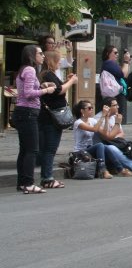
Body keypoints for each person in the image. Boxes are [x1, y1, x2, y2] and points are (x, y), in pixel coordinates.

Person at [14, 45, 56, 194]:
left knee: (24, 150)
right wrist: (46, 90)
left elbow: (28, 88)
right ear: (32, 55)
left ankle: (22, 183)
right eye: (40, 53)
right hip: (28, 112)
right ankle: (29, 183)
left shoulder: (24, 69)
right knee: (32, 150)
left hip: (22, 112)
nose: (43, 56)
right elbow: (28, 93)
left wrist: (42, 85)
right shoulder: (31, 70)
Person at [38, 50, 78, 188]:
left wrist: (67, 81)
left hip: (47, 116)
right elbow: (58, 91)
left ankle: (46, 177)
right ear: (51, 61)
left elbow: (59, 88)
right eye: (58, 59)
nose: (60, 61)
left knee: (46, 148)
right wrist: (71, 81)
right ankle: (47, 178)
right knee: (50, 149)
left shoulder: (47, 74)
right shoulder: (47, 74)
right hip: (51, 117)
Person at [72, 100, 129, 178]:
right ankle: (103, 170)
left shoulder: (92, 120)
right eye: (89, 108)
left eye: (92, 107)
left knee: (105, 147)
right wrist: (103, 116)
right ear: (82, 110)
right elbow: (95, 129)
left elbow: (105, 133)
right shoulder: (78, 123)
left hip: (89, 150)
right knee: (100, 145)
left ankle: (120, 169)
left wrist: (106, 118)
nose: (91, 109)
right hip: (80, 152)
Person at [100, 45, 129, 117]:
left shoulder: (108, 64)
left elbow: (125, 74)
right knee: (117, 116)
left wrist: (127, 63)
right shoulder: (109, 63)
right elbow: (124, 74)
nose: (117, 54)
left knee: (114, 116)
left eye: (117, 53)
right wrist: (126, 61)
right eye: (115, 53)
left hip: (113, 94)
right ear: (107, 53)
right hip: (115, 95)